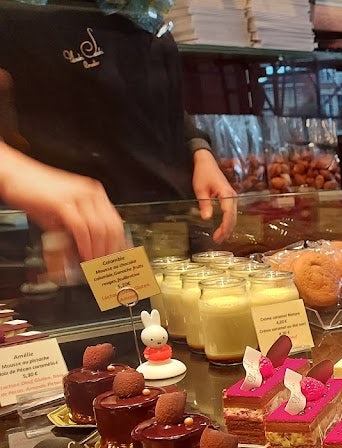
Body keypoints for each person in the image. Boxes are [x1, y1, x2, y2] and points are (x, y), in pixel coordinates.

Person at [0, 0, 235, 261]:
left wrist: (197, 150)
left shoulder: (142, 11)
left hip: (171, 235)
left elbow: (152, 101)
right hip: (91, 247)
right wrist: (14, 173)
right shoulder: (25, 14)